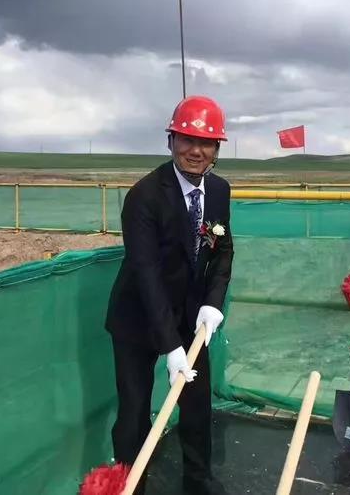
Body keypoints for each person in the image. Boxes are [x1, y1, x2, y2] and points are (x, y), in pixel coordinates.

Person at [105, 95, 234, 495]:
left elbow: (223, 249)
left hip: (190, 316)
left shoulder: (218, 191)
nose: (196, 150)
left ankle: (199, 481)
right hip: (138, 318)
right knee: (134, 414)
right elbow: (145, 274)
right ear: (171, 141)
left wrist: (213, 302)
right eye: (186, 139)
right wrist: (170, 346)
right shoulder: (144, 196)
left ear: (217, 149)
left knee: (196, 405)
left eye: (206, 143)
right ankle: (131, 487)